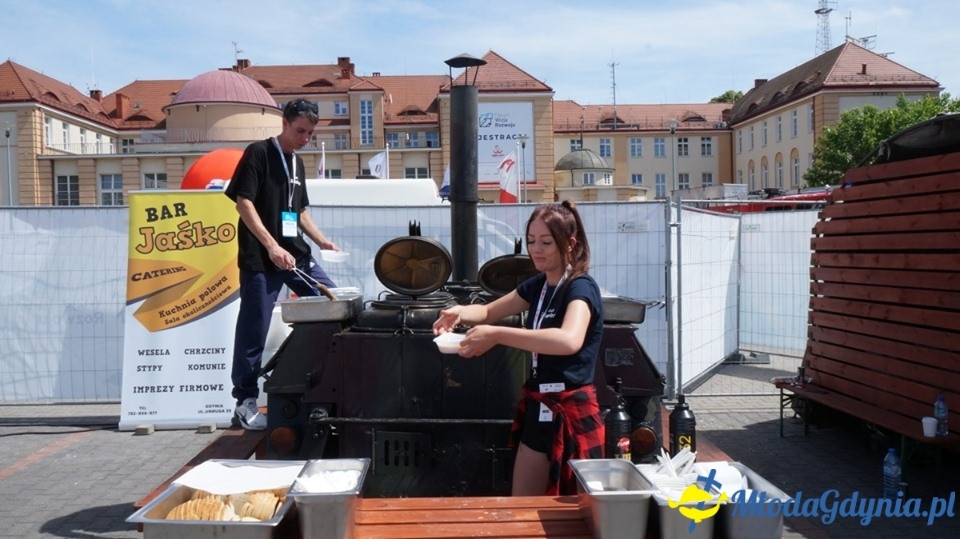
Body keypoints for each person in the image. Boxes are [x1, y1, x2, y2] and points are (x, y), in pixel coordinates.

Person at [432, 200, 605, 495]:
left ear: (570, 243)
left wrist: (498, 335)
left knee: (576, 516)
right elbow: (488, 313)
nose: (536, 249)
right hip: (540, 405)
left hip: (572, 413)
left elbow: (568, 340)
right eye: (532, 241)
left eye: (546, 242)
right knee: (521, 506)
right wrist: (459, 312)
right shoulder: (538, 285)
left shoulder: (580, 287)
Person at [224, 98, 340, 430]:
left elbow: (299, 211)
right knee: (254, 327)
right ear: (284, 123)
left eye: (310, 133)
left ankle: (327, 381)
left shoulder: (297, 163)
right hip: (261, 258)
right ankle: (244, 400)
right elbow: (243, 203)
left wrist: (321, 241)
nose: (305, 138)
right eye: (300, 131)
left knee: (336, 305)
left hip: (296, 255)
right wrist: (272, 246)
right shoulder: (258, 153)